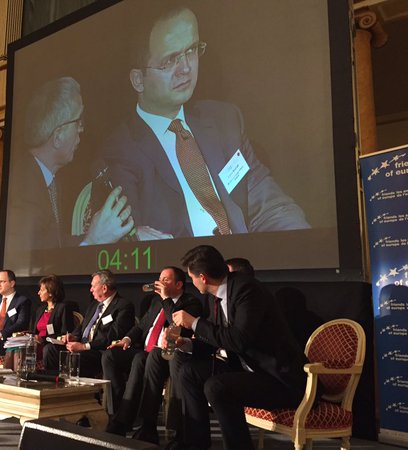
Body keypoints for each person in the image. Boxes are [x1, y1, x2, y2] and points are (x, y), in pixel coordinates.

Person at [103, 2, 309, 239]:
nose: (185, 69)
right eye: (170, 60)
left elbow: (271, 206)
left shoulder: (224, 121)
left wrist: (301, 248)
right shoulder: (119, 151)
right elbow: (129, 240)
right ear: (138, 80)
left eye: (191, 50)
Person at [170, 245, 307, 450]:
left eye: (192, 278)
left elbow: (238, 339)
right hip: (245, 368)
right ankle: (195, 445)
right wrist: (186, 343)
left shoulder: (247, 290)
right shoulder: (213, 296)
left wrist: (195, 323)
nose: (193, 282)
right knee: (189, 372)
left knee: (217, 387)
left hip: (278, 378)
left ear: (203, 277)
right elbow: (216, 338)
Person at [5, 77, 136, 251]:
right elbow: (32, 257)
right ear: (58, 136)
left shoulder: (46, 179)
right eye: (78, 121)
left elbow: (55, 245)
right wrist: (93, 240)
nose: (82, 129)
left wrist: (113, 234)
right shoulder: (24, 187)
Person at [103, 266, 201, 443]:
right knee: (111, 356)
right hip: (145, 351)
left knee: (143, 359)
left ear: (179, 284)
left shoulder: (191, 302)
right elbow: (141, 326)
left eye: (166, 280)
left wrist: (166, 299)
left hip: (170, 355)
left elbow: (176, 324)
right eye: (160, 278)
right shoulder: (156, 302)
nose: (160, 283)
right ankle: (120, 415)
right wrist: (127, 339)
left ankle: (134, 423)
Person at [45, 270, 135, 377]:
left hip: (98, 351)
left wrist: (84, 346)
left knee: (76, 357)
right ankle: (53, 387)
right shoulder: (94, 305)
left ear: (104, 288)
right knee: (49, 350)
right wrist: (73, 336)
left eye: (93, 286)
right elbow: (83, 326)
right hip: (80, 346)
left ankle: (75, 392)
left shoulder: (123, 306)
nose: (90, 289)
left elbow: (112, 336)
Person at [31, 274, 75, 369]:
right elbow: (34, 332)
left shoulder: (62, 308)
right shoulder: (40, 310)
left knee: (46, 349)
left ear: (51, 292)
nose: (38, 293)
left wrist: (43, 339)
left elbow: (65, 333)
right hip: (36, 344)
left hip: (52, 345)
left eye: (42, 290)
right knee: (17, 347)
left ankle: (48, 377)